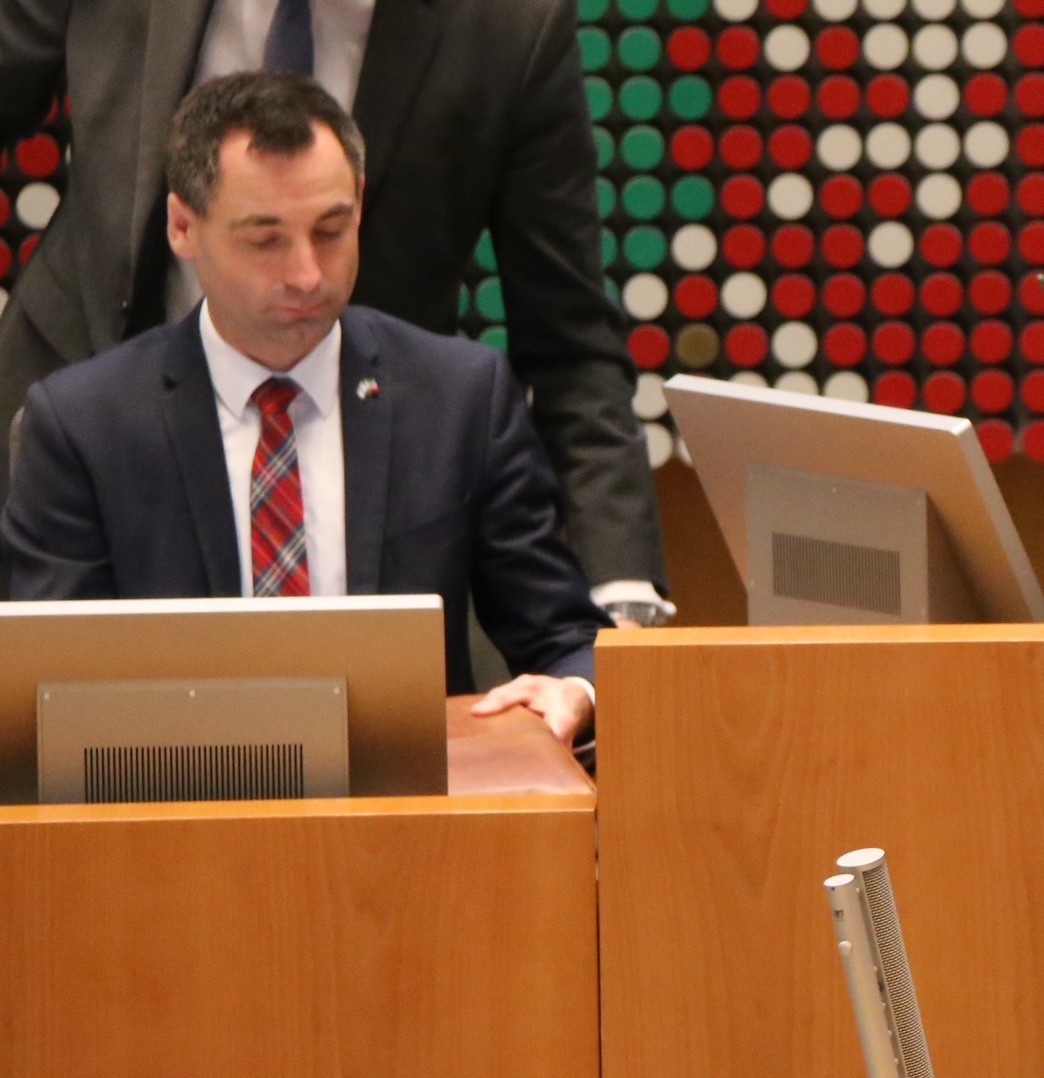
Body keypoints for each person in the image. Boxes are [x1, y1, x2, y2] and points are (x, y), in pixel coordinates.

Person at [0, 0, 667, 618]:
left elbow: (569, 339)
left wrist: (621, 587)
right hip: (68, 435)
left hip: (332, 477)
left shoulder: (507, 16)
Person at [2, 73, 604, 743]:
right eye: (266, 240)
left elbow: (566, 639)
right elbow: (42, 699)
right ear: (182, 226)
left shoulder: (461, 399)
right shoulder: (86, 425)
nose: (307, 275)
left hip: (411, 823)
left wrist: (573, 689)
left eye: (331, 230)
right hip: (168, 813)